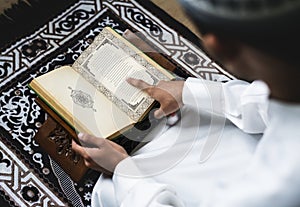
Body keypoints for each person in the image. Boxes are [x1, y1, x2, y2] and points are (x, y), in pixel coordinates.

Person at [72, 0, 300, 206]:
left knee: (109, 189)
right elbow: (261, 102)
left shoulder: (274, 189)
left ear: (217, 47)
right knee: (194, 118)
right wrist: (188, 90)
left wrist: (123, 170)